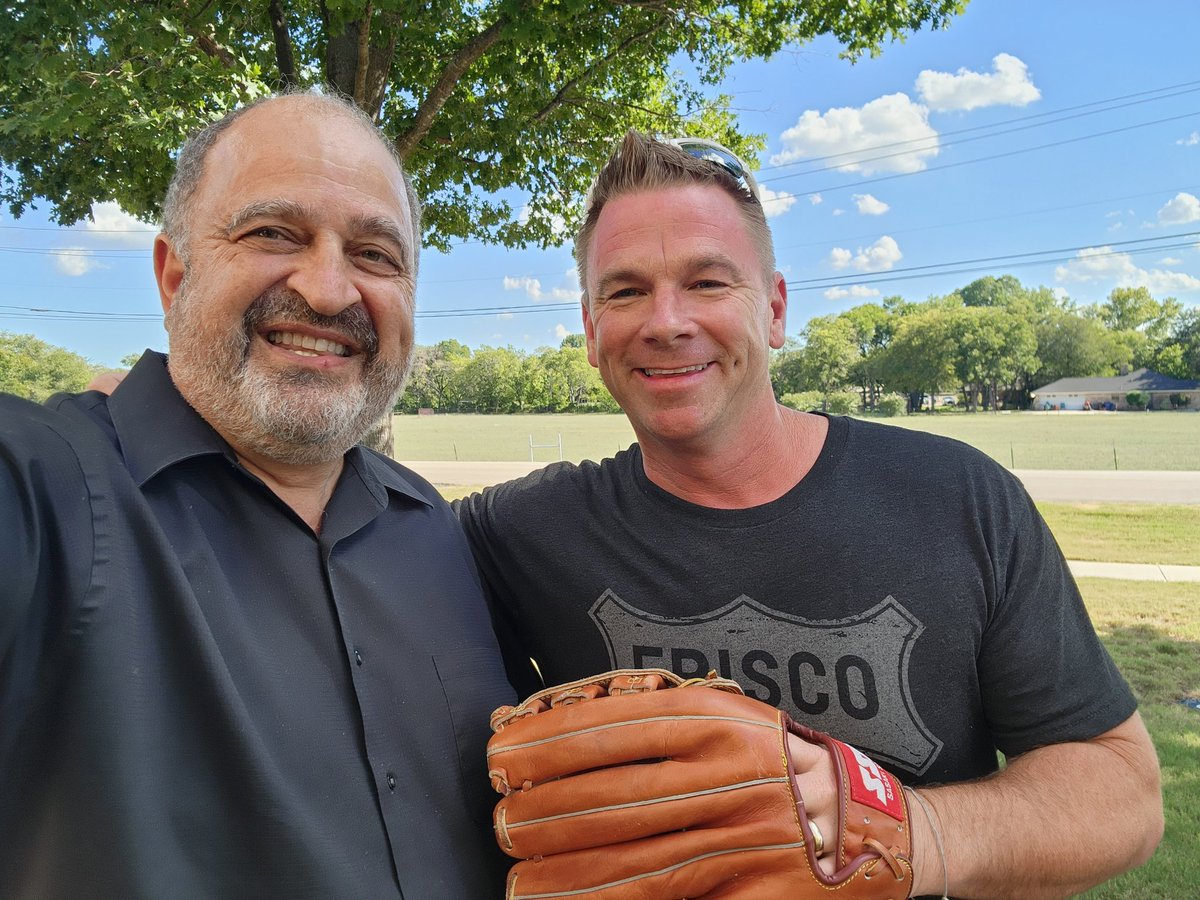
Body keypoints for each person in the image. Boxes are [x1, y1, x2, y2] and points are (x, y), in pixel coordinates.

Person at [456, 132, 1163, 897]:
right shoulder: (520, 532)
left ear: (776, 309)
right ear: (592, 332)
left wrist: (905, 829)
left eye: (707, 282)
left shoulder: (961, 499)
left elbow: (1123, 791)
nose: (666, 321)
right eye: (625, 291)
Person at [0, 92, 514, 898]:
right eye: (274, 233)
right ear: (175, 275)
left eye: (377, 253)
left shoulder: (436, 530)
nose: (328, 290)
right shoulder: (51, 490)